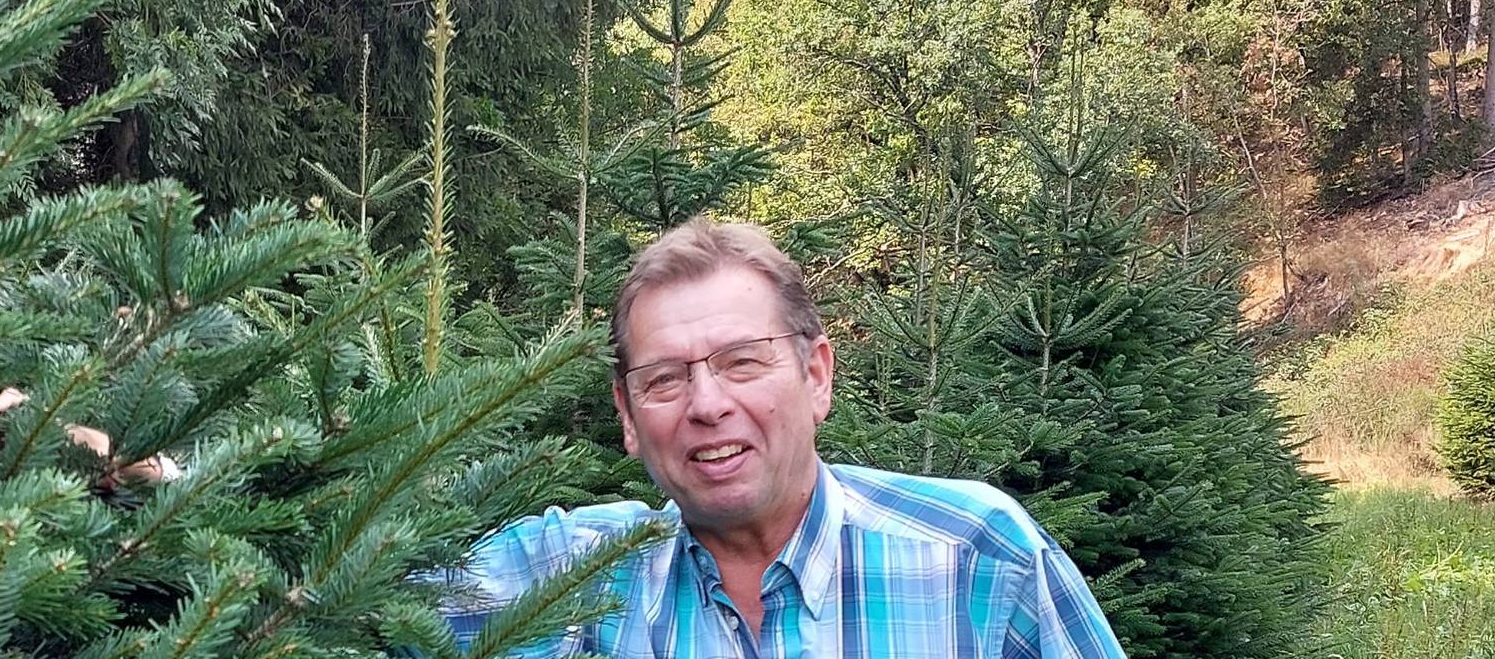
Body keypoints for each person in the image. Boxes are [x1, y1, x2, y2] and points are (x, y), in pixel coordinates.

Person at [439, 217, 1126, 658]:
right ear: (626, 415)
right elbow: (347, 590)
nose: (707, 404)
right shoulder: (574, 575)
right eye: (666, 380)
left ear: (816, 375)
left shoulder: (976, 557)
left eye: (742, 362)